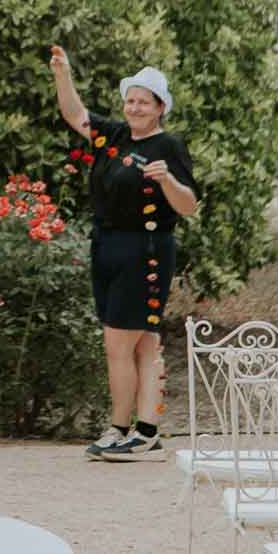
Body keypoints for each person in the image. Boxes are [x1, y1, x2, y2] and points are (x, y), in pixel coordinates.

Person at [49, 45, 199, 463]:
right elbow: (74, 114)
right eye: (130, 99)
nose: (134, 107)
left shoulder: (168, 146)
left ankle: (119, 429)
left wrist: (167, 181)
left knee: (117, 344)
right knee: (144, 345)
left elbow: (188, 205)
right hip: (108, 245)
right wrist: (63, 74)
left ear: (160, 107)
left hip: (145, 251)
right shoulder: (114, 136)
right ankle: (148, 432)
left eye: (143, 101)